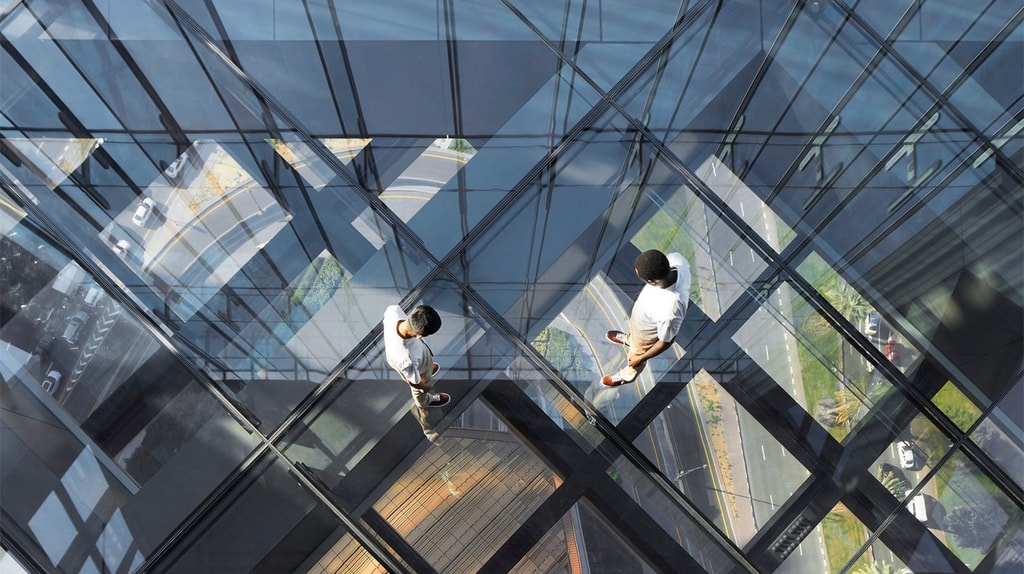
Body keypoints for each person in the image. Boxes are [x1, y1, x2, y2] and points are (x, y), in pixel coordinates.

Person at [602, 249, 691, 387]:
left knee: (634, 357)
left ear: (650, 281)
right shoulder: (676, 260)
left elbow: (666, 341)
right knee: (634, 335)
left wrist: (641, 357)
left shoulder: (671, 309)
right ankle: (629, 340)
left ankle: (628, 375)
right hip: (641, 323)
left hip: (646, 338)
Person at [383, 304, 451, 407]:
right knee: (419, 390)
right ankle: (424, 402)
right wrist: (425, 387)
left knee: (424, 361)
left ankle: (427, 369)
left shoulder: (394, 311)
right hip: (410, 367)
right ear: (419, 336)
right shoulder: (407, 359)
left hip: (414, 358)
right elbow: (413, 382)